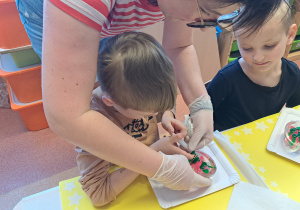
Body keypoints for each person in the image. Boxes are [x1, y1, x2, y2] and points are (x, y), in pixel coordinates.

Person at [15, 0, 283, 190]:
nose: (204, 26)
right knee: (103, 98)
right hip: (54, 13)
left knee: (123, 85)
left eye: (218, 20)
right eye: (206, 14)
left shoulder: (184, 7)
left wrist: (201, 104)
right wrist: (159, 166)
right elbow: (67, 114)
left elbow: (179, 45)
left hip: (106, 14)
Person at [76, 31, 203, 206]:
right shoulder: (89, 125)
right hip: (126, 186)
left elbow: (163, 102)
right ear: (110, 102)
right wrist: (154, 152)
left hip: (151, 173)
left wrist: (167, 114)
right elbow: (98, 195)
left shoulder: (133, 95)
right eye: (148, 115)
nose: (153, 115)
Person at [207, 0, 300, 131]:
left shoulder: (293, 74)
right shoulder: (226, 78)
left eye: (269, 46)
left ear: (290, 35)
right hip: (224, 141)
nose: (258, 57)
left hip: (261, 137)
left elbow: (295, 113)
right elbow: (201, 114)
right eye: (247, 48)